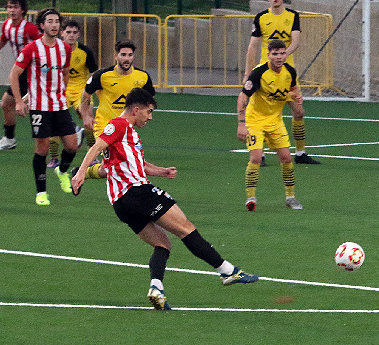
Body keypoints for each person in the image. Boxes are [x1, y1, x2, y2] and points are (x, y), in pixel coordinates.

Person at [71, 88, 259, 310]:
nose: (150, 117)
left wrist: (162, 171)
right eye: (149, 112)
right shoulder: (119, 125)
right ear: (136, 109)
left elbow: (130, 166)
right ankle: (228, 271)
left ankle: (156, 288)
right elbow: (97, 145)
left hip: (121, 204)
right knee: (185, 228)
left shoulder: (128, 135)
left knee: (163, 243)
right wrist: (82, 171)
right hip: (138, 193)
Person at [243, 0, 321, 166]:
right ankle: (258, 155)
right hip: (263, 75)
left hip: (286, 75)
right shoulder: (261, 17)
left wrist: (284, 55)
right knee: (258, 113)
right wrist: (248, 73)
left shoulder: (293, 16)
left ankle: (300, 153)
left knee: (299, 112)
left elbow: (296, 41)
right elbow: (253, 46)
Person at [8, 8, 80, 205]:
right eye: (50, 21)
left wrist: (62, 91)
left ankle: (62, 171)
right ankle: (41, 192)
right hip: (39, 106)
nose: (54, 25)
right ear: (42, 25)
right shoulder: (32, 48)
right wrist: (19, 101)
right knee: (43, 148)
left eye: (57, 21)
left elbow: (65, 72)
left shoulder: (65, 48)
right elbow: (14, 74)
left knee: (72, 145)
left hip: (59, 105)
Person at [237, 39, 303, 210]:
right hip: (255, 121)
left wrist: (295, 97)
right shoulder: (259, 73)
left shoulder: (290, 72)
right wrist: (241, 124)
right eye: (275, 54)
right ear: (268, 55)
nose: (279, 57)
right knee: (256, 158)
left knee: (286, 158)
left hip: (276, 122)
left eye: (282, 53)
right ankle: (251, 198)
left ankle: (291, 197)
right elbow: (243, 97)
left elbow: (293, 89)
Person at [78, 40, 155, 181]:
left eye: (130, 55)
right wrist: (86, 116)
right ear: (116, 56)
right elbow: (86, 94)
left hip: (127, 128)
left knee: (105, 170)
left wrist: (144, 116)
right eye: (123, 54)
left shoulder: (142, 77)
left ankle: (82, 172)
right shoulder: (102, 76)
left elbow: (149, 100)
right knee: (111, 167)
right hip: (105, 125)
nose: (127, 58)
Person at [47, 20, 96, 167]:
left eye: (75, 33)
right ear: (62, 33)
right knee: (53, 123)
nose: (72, 35)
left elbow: (94, 74)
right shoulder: (54, 49)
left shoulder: (85, 51)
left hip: (81, 91)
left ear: (79, 34)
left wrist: (96, 92)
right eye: (68, 32)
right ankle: (54, 158)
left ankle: (92, 157)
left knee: (89, 120)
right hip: (60, 90)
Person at [0, 0, 42, 150]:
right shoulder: (7, 25)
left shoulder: (30, 28)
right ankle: (9, 139)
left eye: (16, 7)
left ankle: (69, 132)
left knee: (36, 107)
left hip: (32, 71)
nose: (12, 10)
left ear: (23, 10)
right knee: (7, 103)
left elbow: (43, 44)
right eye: (10, 7)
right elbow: (3, 40)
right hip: (21, 71)